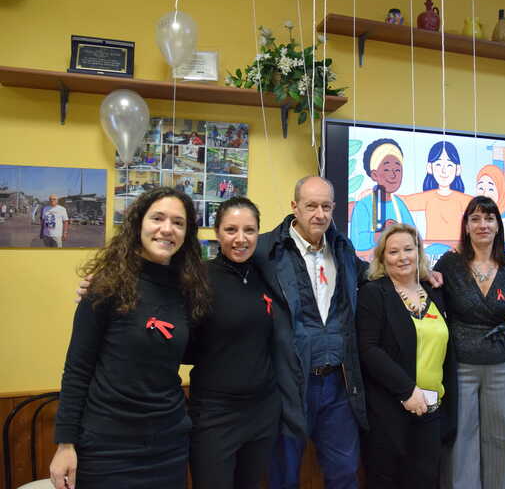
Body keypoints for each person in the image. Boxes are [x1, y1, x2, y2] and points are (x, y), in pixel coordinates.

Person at [50, 187, 211, 489]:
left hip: (168, 445)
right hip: (107, 446)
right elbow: (77, 369)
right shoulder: (106, 286)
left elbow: (186, 352)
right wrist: (65, 444)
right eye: (158, 218)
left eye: (178, 222)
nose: (167, 229)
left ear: (187, 233)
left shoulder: (189, 290)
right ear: (139, 223)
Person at [264, 176, 369, 489]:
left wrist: (423, 273)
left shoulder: (343, 250)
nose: (319, 214)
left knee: (345, 473)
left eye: (326, 206)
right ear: (294, 207)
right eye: (311, 206)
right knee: (284, 476)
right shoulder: (267, 251)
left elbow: (376, 275)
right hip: (290, 385)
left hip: (338, 383)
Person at [186, 196, 292, 488]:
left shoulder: (266, 274)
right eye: (231, 230)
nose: (241, 239)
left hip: (263, 412)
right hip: (214, 415)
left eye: (249, 230)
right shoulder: (198, 279)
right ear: (217, 232)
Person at [357, 223, 456, 488]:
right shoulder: (373, 293)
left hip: (431, 412)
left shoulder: (435, 291)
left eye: (408, 249)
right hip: (389, 414)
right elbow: (368, 349)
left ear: (419, 252)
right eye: (393, 252)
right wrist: (407, 391)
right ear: (382, 258)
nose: (402, 257)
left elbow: (447, 353)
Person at [435, 195, 505, 489]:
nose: (483, 224)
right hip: (461, 364)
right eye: (475, 218)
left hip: (502, 364)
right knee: (462, 438)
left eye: (489, 218)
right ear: (466, 226)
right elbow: (429, 298)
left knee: (502, 437)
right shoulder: (449, 263)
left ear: (498, 225)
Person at [401, 141, 472, 253]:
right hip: (432, 251)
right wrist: (377, 192)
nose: (444, 170)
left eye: (449, 165)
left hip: (456, 252)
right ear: (429, 167)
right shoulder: (428, 197)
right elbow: (403, 201)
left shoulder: (464, 200)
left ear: (458, 169)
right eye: (438, 164)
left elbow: (485, 206)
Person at [349, 138, 415, 253]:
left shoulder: (399, 204)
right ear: (374, 175)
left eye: (397, 170)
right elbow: (357, 242)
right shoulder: (363, 206)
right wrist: (382, 233)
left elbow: (415, 236)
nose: (393, 175)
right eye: (387, 169)